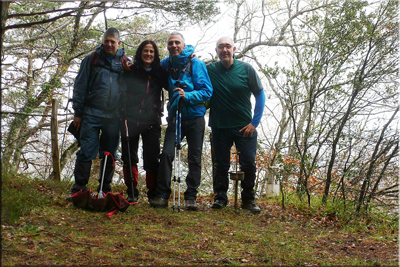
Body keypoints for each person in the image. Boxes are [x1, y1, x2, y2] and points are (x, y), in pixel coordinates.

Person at [150, 32, 213, 210]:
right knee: (167, 154)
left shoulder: (196, 64)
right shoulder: (166, 64)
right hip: (175, 116)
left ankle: (190, 197)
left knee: (194, 157)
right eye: (171, 43)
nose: (174, 46)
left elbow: (207, 91)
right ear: (167, 46)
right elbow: (150, 67)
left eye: (177, 43)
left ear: (184, 45)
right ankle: (162, 195)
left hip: (195, 116)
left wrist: (188, 95)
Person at [67, 27, 130, 200]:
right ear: (102, 41)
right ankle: (79, 190)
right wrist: (78, 113)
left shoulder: (125, 62)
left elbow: (131, 89)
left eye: (112, 41)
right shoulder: (91, 59)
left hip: (114, 116)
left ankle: (105, 189)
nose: (109, 44)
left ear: (118, 43)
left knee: (110, 153)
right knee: (87, 150)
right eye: (106, 41)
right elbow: (80, 85)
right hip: (91, 114)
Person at [206, 37, 266, 214]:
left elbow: (260, 95)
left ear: (234, 49)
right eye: (220, 47)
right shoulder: (209, 70)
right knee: (221, 164)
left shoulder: (246, 69)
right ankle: (220, 198)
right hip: (219, 126)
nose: (224, 50)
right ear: (216, 51)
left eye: (227, 46)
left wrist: (254, 123)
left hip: (244, 127)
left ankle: (248, 199)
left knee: (248, 163)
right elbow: (193, 74)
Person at [120, 40, 167, 203]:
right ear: (140, 53)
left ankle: (152, 192)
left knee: (152, 157)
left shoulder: (160, 72)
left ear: (155, 55)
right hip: (130, 119)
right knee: (129, 156)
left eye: (152, 52)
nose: (148, 54)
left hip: (152, 120)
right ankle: (132, 191)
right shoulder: (131, 70)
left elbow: (175, 72)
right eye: (146, 51)